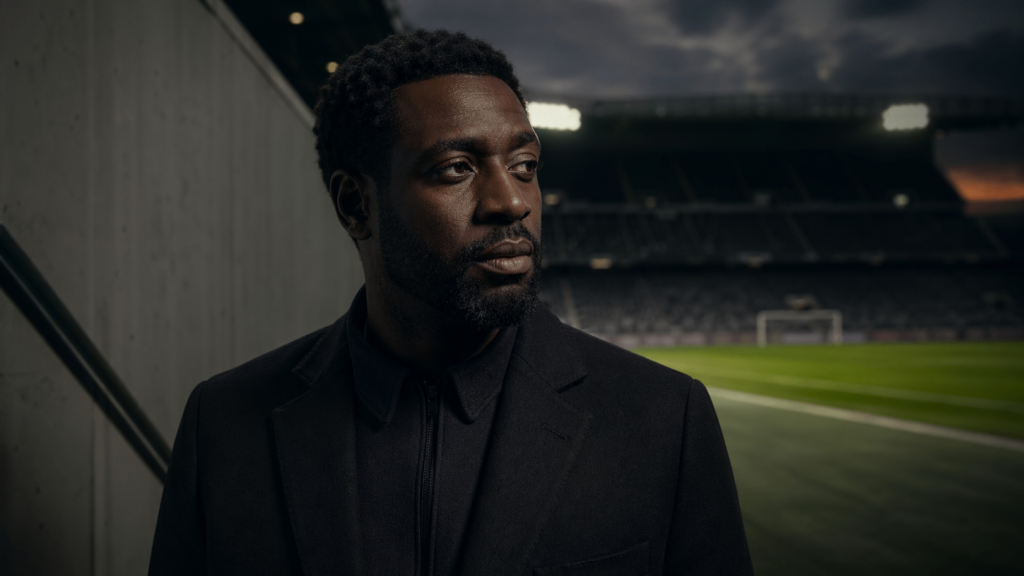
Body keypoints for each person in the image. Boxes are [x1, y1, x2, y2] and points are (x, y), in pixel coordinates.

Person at [148, 29, 752, 576]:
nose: (511, 201)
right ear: (356, 205)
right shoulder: (225, 424)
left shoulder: (664, 420)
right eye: (456, 168)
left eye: (525, 165)